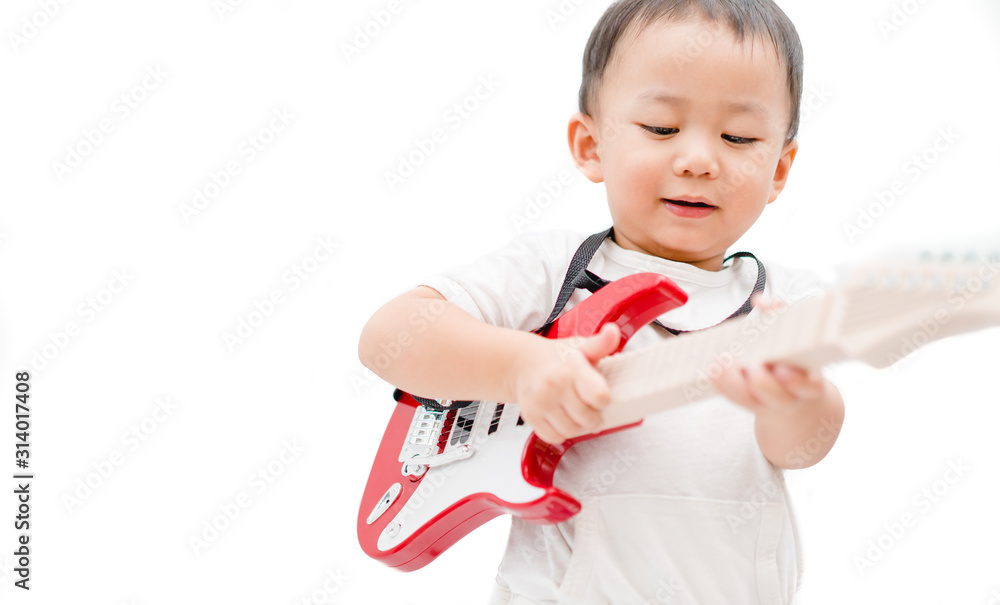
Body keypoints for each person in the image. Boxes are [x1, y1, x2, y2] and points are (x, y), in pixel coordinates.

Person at [358, 0, 846, 602]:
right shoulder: (556, 269)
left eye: (739, 136)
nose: (699, 160)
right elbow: (389, 336)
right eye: (662, 128)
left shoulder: (787, 303)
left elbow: (799, 449)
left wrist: (799, 400)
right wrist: (522, 368)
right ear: (590, 145)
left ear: (779, 169)